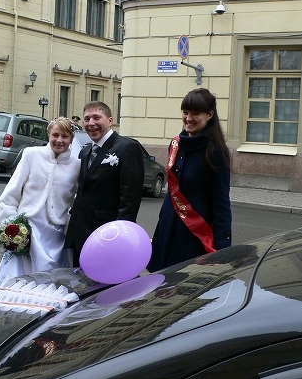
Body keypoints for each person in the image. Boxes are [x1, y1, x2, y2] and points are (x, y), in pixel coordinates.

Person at [147, 87, 232, 273]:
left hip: (193, 235)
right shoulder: (176, 144)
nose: (188, 118)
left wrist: (223, 248)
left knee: (182, 282)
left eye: (195, 113)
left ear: (209, 115)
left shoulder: (216, 151)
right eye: (185, 112)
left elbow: (221, 202)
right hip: (168, 228)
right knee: (160, 280)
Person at [0, 117, 81, 279]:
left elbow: (77, 199)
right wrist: (10, 223)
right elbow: (12, 192)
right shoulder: (31, 154)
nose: (59, 140)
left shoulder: (76, 165)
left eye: (65, 136)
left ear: (71, 138)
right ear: (48, 135)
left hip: (56, 234)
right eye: (55, 135)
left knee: (51, 280)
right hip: (28, 227)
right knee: (19, 278)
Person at [64, 101, 145, 267]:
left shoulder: (127, 147)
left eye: (96, 118)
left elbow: (130, 198)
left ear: (110, 120)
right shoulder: (85, 151)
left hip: (107, 235)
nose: (91, 123)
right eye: (87, 119)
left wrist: (120, 237)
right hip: (80, 234)